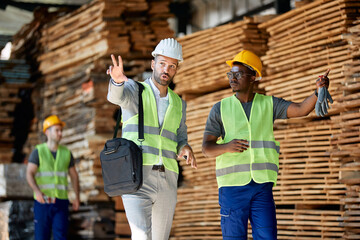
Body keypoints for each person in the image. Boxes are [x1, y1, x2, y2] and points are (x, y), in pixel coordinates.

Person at [202, 50, 330, 240]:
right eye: (231, 74)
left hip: (261, 187)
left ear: (253, 77)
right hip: (232, 189)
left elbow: (302, 109)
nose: (232, 78)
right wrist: (226, 146)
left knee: (267, 237)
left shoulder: (268, 104)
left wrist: (317, 91)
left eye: (238, 74)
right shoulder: (220, 108)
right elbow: (206, 148)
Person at [106, 38, 197, 240]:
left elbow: (180, 135)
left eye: (172, 66)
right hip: (137, 177)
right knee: (141, 236)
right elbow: (115, 97)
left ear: (176, 69)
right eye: (163, 63)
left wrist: (184, 147)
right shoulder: (134, 90)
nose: (167, 69)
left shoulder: (179, 103)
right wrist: (117, 81)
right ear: (153, 63)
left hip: (167, 180)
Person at [26, 115, 80, 240]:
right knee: (41, 237)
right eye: (57, 130)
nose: (60, 133)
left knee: (61, 237)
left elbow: (74, 176)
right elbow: (29, 173)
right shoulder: (38, 152)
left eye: (61, 130)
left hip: (61, 202)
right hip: (42, 202)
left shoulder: (66, 153)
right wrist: (37, 192)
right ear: (47, 132)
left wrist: (77, 197)